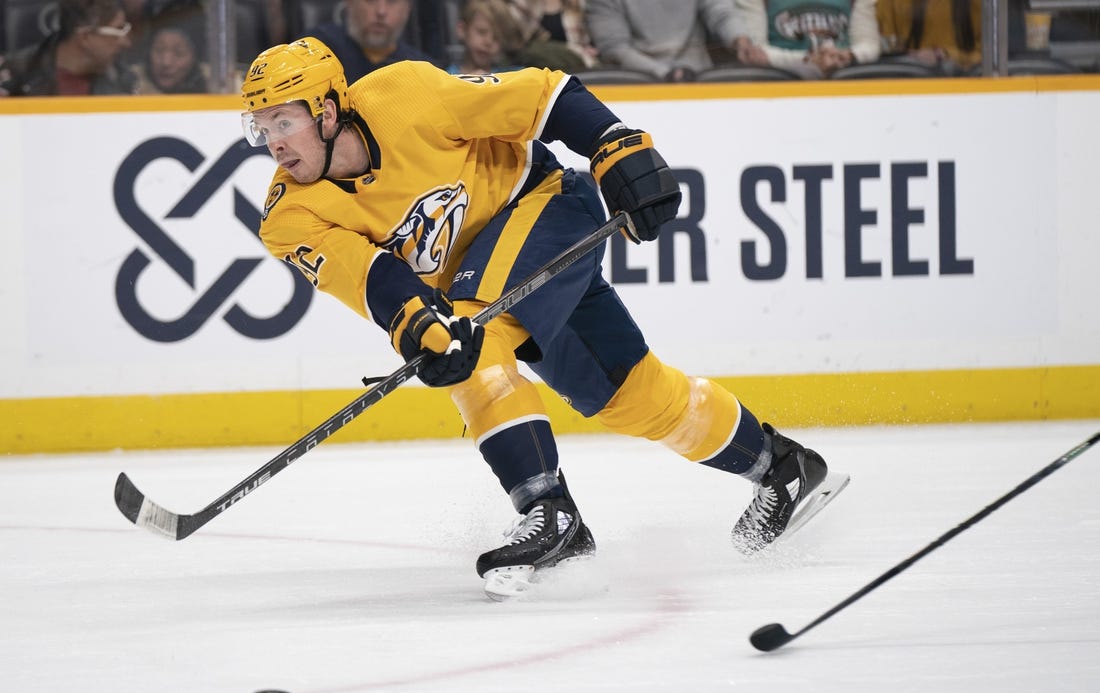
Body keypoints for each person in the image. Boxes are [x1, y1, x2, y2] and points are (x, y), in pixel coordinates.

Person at [239, 37, 844, 599]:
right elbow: (370, 277)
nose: (275, 144)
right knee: (630, 396)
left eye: (284, 122)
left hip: (548, 209)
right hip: (498, 278)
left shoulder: (407, 95)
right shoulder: (288, 214)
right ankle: (781, 467)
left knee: (473, 334)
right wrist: (420, 325)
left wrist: (616, 144)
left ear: (326, 110)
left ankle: (549, 508)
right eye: (261, 128)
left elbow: (541, 95)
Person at [584, 0, 757, 82]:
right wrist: (665, 73)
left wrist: (740, 40)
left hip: (700, 79)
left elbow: (721, 12)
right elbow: (614, 48)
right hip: (638, 85)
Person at [0, 0, 137, 96]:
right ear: (85, 37)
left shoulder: (123, 80)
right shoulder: (12, 76)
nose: (126, 42)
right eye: (118, 31)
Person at [733, 0, 880, 79]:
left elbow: (870, 45)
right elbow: (754, 51)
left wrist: (847, 56)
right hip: (780, 85)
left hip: (846, 83)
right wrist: (809, 61)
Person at [302, 0, 440, 82]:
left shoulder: (425, 71)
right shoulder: (312, 51)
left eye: (392, 1)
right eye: (370, 0)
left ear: (408, 8)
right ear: (349, 3)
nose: (381, 11)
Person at [877, 0, 982, 74]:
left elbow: (991, 57)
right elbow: (883, 49)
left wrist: (943, 54)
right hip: (907, 84)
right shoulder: (889, 3)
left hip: (967, 86)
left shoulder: (982, 4)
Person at [502, 0, 600, 72]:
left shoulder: (577, 4)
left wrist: (586, 49)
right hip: (533, 68)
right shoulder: (521, 5)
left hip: (572, 67)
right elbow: (514, 41)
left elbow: (584, 41)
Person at [132, 11, 210, 93]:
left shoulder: (215, 84)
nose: (166, 62)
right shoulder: (131, 84)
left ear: (195, 57)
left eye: (179, 53)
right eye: (159, 50)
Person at [448, 0, 522, 75]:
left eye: (496, 37)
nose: (488, 42)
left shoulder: (513, 76)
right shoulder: (445, 78)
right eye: (481, 32)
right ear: (462, 30)